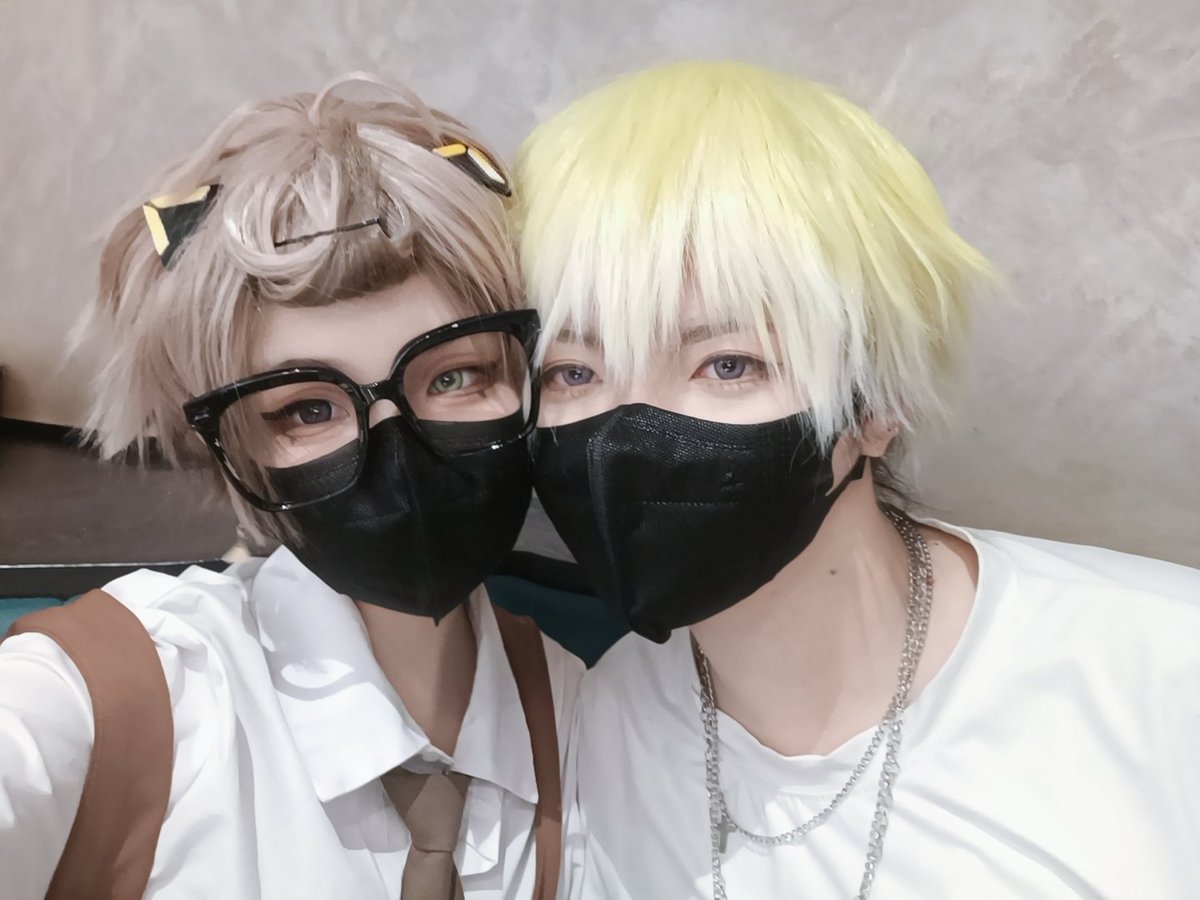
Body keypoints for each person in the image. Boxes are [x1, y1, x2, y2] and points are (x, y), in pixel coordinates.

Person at [514, 60, 1200, 899]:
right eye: (575, 372)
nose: (630, 432)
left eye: (728, 364)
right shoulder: (598, 729)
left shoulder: (1162, 674)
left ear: (878, 405)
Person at [0, 74, 581, 899]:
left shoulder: (584, 715)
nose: (395, 450)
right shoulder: (114, 698)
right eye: (309, 409)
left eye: (454, 376)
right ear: (232, 446)